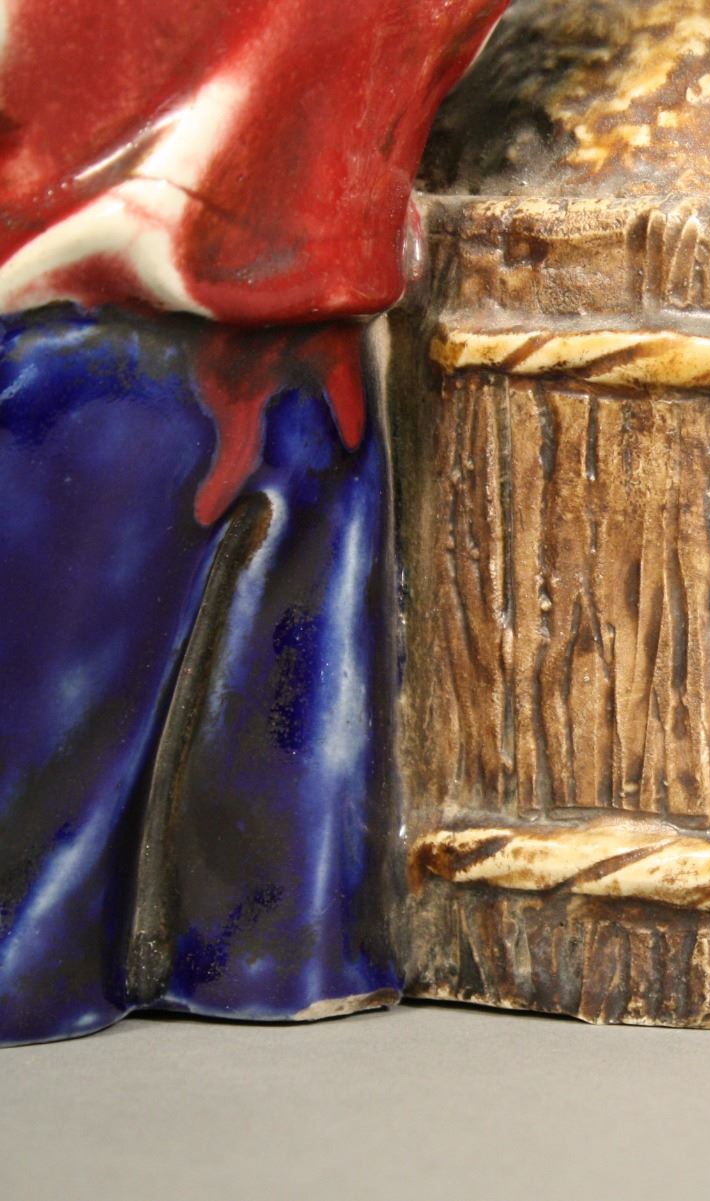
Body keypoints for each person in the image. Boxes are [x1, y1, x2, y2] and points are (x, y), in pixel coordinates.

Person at [0, 0, 509, 1046]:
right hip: (298, 341)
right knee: (272, 842)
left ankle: (205, 960)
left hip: (105, 340)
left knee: (51, 853)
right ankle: (259, 962)